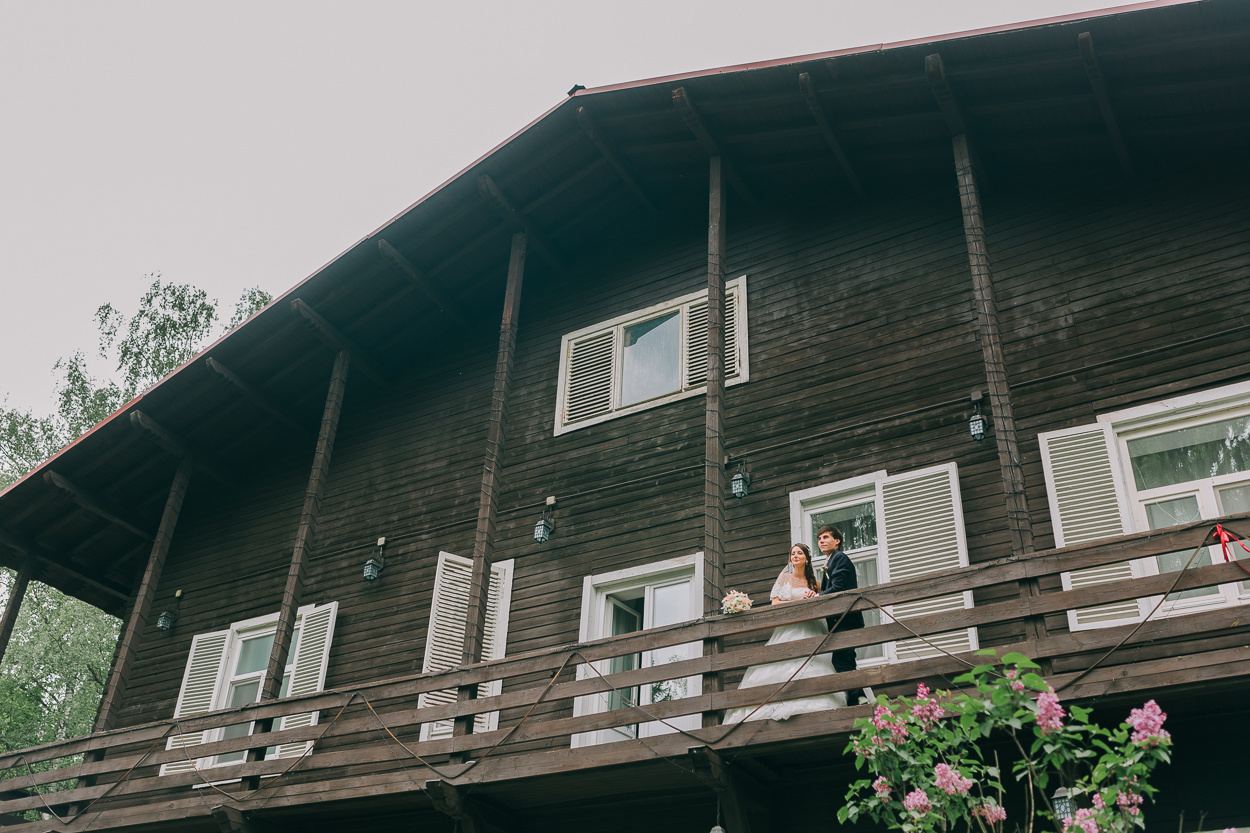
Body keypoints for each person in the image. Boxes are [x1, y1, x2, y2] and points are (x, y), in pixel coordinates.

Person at [723, 544, 847, 723]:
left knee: (812, 663)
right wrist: (797, 605)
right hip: (792, 626)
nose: (795, 556)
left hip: (813, 626)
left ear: (806, 558)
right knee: (786, 661)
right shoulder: (784, 578)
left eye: (800, 553)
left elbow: (823, 601)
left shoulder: (816, 583)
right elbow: (775, 603)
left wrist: (812, 598)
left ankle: (815, 702)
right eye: (793, 553)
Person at [817, 525, 867, 705]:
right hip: (840, 619)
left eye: (825, 537)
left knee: (841, 659)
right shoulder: (832, 561)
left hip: (846, 618)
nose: (821, 541)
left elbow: (837, 588)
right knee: (846, 659)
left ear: (837, 541)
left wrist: (817, 598)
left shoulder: (840, 558)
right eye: (819, 539)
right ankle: (858, 697)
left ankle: (857, 698)